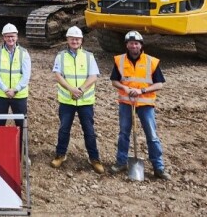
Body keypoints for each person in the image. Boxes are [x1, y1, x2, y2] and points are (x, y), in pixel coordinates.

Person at [109, 31, 171, 180]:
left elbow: (159, 84)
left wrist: (141, 90)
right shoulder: (120, 60)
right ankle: (121, 162)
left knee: (152, 135)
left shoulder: (151, 61)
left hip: (145, 105)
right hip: (126, 103)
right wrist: (125, 88)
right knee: (124, 134)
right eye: (131, 43)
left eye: (136, 43)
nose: (133, 46)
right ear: (127, 45)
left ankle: (159, 167)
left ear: (141, 45)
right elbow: (114, 81)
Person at [50, 26, 104, 174]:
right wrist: (71, 89)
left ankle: (94, 158)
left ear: (81, 40)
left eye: (77, 39)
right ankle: (60, 155)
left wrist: (80, 90)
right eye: (72, 38)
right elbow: (58, 75)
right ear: (67, 40)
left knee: (89, 131)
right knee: (64, 129)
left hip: (85, 101)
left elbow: (93, 76)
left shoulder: (88, 56)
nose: (75, 41)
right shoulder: (60, 56)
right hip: (67, 100)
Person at [0, 23, 31, 149]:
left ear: (17, 37)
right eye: (7, 36)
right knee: (0, 122)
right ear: (3, 37)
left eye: (12, 36)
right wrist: (5, 89)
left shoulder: (24, 53)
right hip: (2, 94)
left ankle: (22, 151)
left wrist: (16, 89)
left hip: (19, 95)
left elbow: (26, 75)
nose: (10, 39)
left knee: (21, 123)